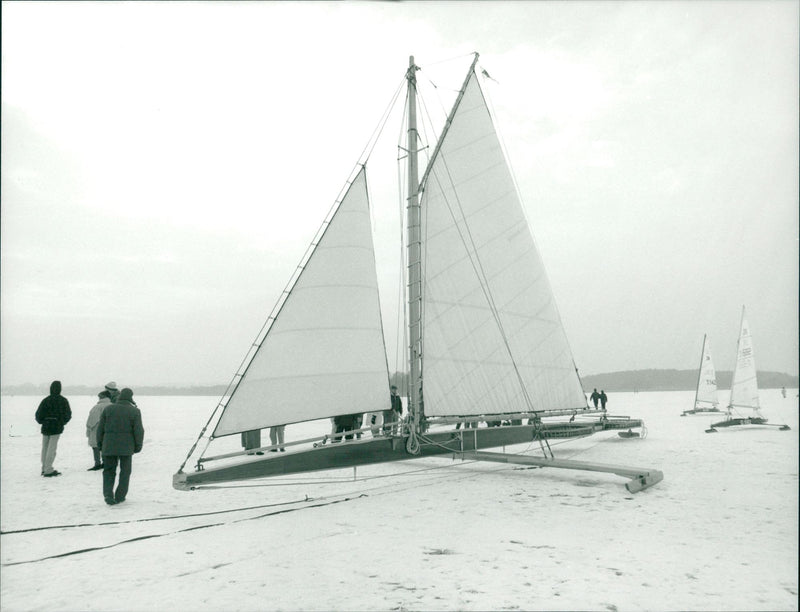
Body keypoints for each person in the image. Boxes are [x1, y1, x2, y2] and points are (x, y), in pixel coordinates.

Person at [97, 387, 144, 505]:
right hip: (126, 447)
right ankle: (120, 495)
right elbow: (139, 430)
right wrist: (138, 446)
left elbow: (100, 429)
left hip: (108, 445)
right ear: (131, 397)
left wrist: (100, 443)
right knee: (125, 472)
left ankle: (108, 494)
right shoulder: (134, 411)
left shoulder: (108, 409)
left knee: (108, 471)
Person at [35, 380, 72, 477]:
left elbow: (38, 414)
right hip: (56, 426)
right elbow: (68, 414)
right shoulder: (63, 400)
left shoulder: (46, 400)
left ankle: (44, 468)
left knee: (45, 448)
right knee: (52, 448)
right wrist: (62, 422)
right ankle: (48, 469)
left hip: (46, 426)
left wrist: (42, 421)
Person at [86, 388, 114, 470]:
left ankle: (97, 463)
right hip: (110, 430)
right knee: (106, 446)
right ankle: (106, 462)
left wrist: (89, 428)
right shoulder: (113, 406)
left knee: (96, 446)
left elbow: (92, 420)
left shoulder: (97, 407)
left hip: (97, 429)